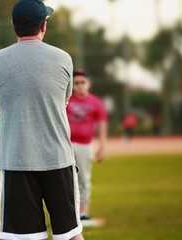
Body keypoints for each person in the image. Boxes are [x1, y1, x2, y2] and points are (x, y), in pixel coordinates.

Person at [0, 1, 84, 239]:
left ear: (13, 25)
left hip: (16, 161)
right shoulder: (63, 59)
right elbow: (63, 103)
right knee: (70, 234)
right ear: (44, 25)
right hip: (58, 159)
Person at [67, 69, 108, 226]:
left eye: (82, 82)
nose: (79, 86)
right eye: (76, 83)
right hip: (67, 144)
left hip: (85, 145)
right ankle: (68, 213)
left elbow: (102, 126)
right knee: (66, 180)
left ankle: (83, 213)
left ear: (88, 84)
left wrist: (102, 146)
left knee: (83, 178)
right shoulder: (67, 100)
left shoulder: (96, 103)